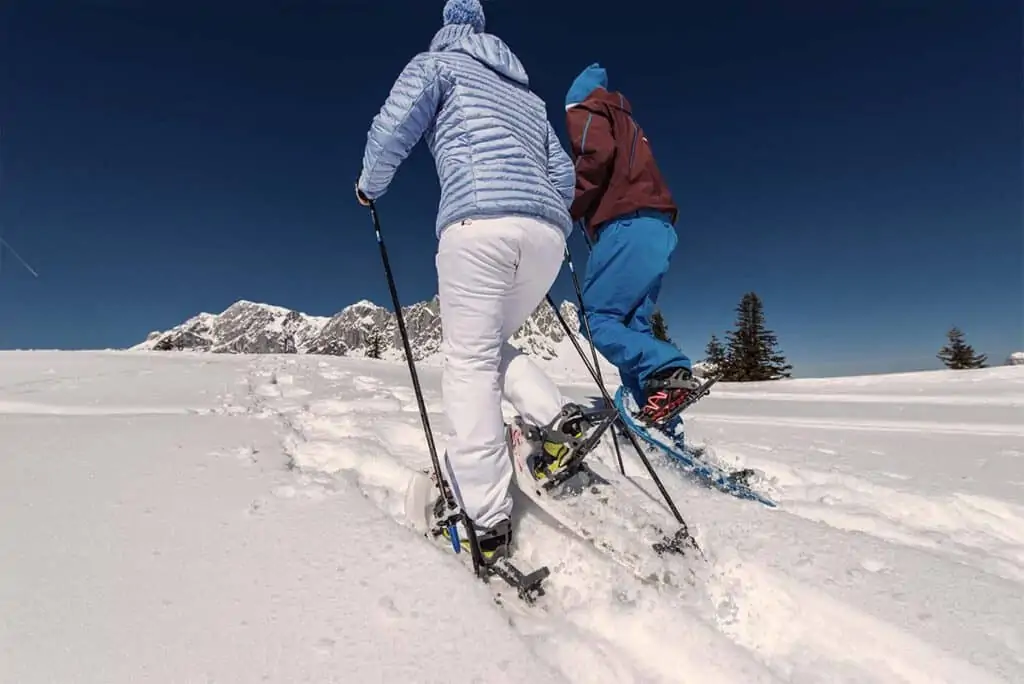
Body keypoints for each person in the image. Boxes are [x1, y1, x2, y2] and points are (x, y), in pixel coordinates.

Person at [355, 0, 588, 564]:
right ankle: (558, 421)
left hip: (478, 225)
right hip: (547, 238)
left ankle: (483, 518)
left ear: (446, 28)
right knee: (488, 348)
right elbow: (564, 175)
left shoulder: (437, 65)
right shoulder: (529, 98)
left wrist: (369, 186)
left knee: (467, 364)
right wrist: (539, 215)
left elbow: (394, 125)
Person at [564, 63, 700, 425]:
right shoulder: (629, 123)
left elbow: (595, 158)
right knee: (631, 329)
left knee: (596, 319)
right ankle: (661, 423)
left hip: (626, 224)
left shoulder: (587, 109)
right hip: (659, 228)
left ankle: (668, 367)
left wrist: (566, 205)